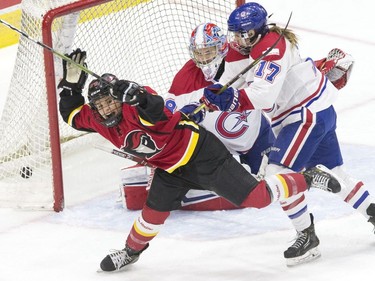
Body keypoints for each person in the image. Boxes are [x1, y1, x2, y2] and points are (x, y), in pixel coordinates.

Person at [57, 48, 341, 272]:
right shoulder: (96, 118)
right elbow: (71, 115)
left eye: (110, 101)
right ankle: (130, 253)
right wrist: (70, 87)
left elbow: (158, 114)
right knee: (151, 214)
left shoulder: (135, 107)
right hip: (170, 169)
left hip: (202, 154)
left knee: (257, 198)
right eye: (100, 105)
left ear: (121, 99)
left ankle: (308, 176)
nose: (106, 109)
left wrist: (139, 96)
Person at [200, 2, 375, 266]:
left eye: (243, 34)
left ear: (256, 31)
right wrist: (213, 98)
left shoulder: (271, 48)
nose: (238, 40)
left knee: (277, 175)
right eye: (235, 34)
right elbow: (240, 79)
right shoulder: (262, 43)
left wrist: (229, 100)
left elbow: (263, 96)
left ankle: (307, 235)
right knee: (334, 172)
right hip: (317, 109)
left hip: (304, 116)